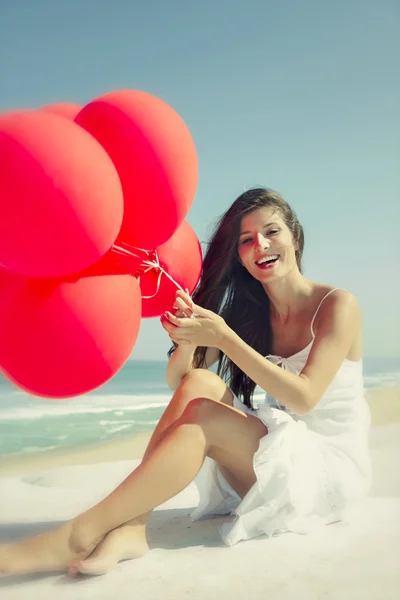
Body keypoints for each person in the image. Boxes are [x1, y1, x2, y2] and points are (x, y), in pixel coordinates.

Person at [0, 187, 371, 577]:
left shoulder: (336, 304)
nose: (260, 245)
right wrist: (188, 339)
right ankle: (131, 526)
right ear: (239, 257)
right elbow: (180, 379)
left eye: (271, 231)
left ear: (294, 235)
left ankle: (79, 534)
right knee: (200, 384)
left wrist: (225, 337)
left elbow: (305, 398)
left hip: (324, 473)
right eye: (246, 240)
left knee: (205, 417)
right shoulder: (253, 313)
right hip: (275, 455)